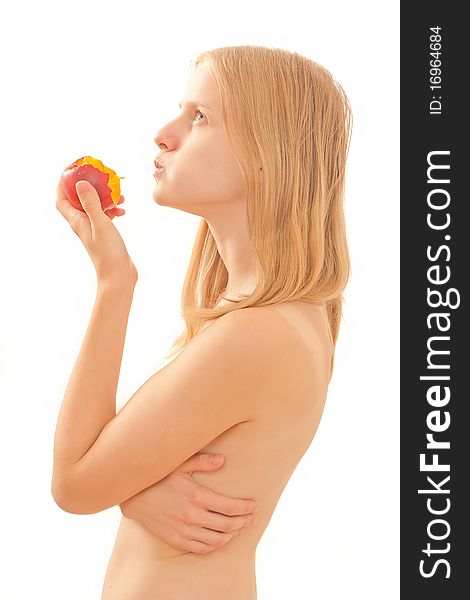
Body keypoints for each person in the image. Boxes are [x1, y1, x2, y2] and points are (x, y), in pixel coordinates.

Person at [54, 44, 352, 600]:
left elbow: (74, 482)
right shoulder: (284, 317)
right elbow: (108, 470)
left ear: (266, 154)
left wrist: (114, 284)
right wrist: (134, 488)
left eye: (200, 117)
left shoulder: (256, 335)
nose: (165, 135)